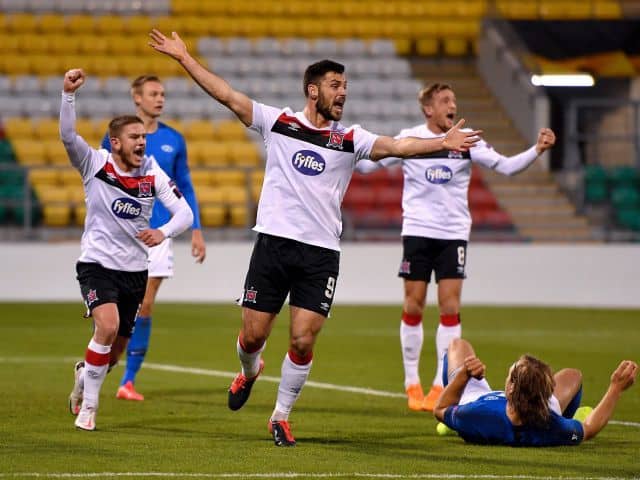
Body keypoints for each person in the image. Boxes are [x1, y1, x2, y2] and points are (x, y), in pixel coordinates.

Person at [148, 28, 481, 447]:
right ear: (313, 90)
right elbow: (228, 95)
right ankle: (250, 372)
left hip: (321, 254)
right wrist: (184, 58)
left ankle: (281, 416)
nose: (343, 93)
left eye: (346, 86)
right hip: (272, 245)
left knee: (303, 339)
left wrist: (439, 143)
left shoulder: (349, 139)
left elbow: (396, 145)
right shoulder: (279, 123)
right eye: (335, 85)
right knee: (252, 337)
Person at [354, 83, 556, 412]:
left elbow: (506, 166)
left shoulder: (467, 141)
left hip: (453, 235)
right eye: (445, 100)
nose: (452, 105)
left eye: (454, 100)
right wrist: (347, 149)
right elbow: (367, 165)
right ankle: (411, 384)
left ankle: (438, 384)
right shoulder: (412, 138)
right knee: (414, 304)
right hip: (418, 232)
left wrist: (537, 149)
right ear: (428, 110)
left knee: (449, 307)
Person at [61, 68, 194, 430]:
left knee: (115, 351)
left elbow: (184, 212)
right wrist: (68, 95)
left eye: (143, 137)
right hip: (97, 265)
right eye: (134, 136)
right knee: (107, 326)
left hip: (135, 270)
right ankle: (89, 409)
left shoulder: (152, 172)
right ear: (115, 142)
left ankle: (83, 375)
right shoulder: (95, 164)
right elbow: (67, 136)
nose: (141, 142)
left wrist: (163, 232)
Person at [100, 75, 206, 401]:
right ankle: (97, 366)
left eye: (162, 94)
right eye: (153, 93)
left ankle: (127, 381)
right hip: (122, 234)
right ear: (136, 97)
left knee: (145, 304)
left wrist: (196, 228)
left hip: (159, 233)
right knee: (117, 309)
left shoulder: (174, 139)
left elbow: (185, 185)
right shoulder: (116, 139)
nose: (160, 99)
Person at [433, 338, 638, 446]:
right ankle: (571, 414)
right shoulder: (552, 425)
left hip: (471, 401)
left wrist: (464, 376)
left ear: (511, 387)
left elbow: (441, 408)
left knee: (458, 345)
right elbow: (589, 429)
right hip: (534, 411)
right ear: (544, 395)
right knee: (573, 376)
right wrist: (615, 388)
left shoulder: (477, 414)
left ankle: (453, 424)